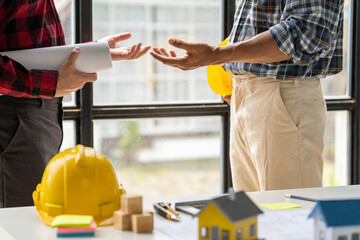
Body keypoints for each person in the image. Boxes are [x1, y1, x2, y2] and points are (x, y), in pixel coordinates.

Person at [150, 0, 344, 192]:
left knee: (290, 210)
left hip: (282, 95)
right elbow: (254, 27)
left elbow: (307, 33)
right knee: (251, 214)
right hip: (244, 94)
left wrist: (216, 54)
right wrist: (232, 76)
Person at [0, 0, 150, 207]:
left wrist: (93, 53)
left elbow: (32, 45)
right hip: (14, 114)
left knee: (35, 214)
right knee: (20, 220)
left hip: (32, 112)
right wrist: (52, 83)